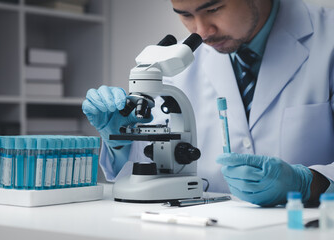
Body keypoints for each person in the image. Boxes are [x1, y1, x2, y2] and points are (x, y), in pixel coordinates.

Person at [82, 0, 334, 207]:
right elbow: (153, 165)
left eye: (213, 9)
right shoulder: (178, 64)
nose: (201, 32)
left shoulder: (328, 36)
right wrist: (120, 143)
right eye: (185, 15)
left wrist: (309, 183)